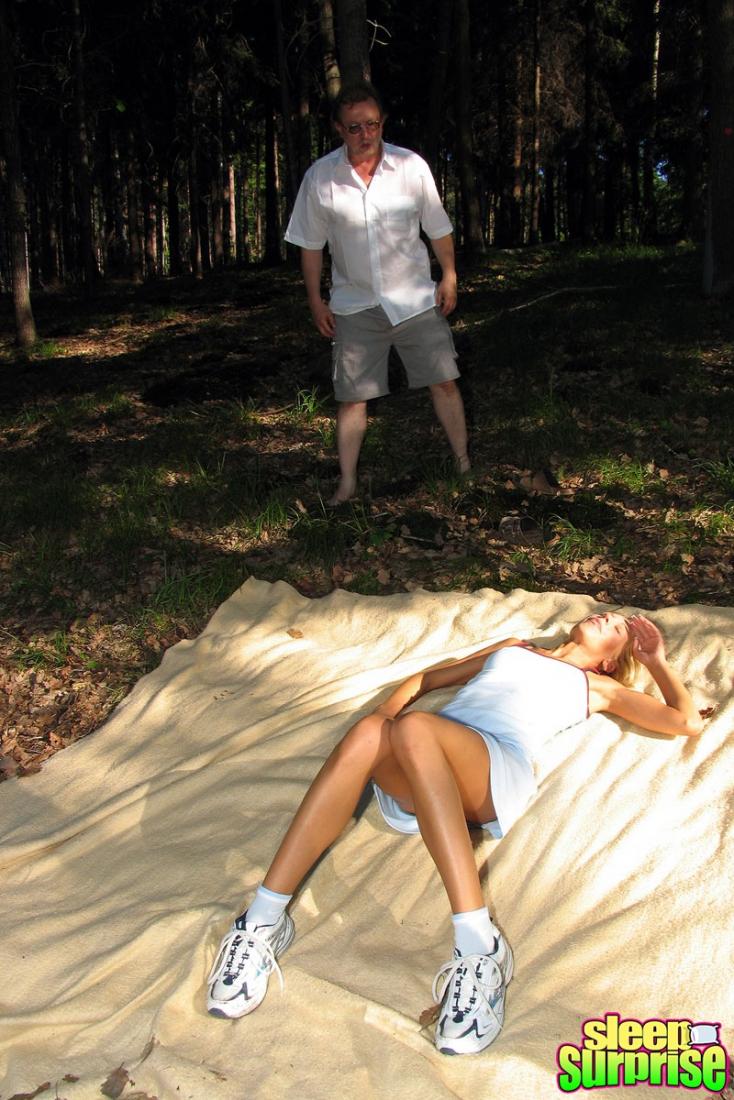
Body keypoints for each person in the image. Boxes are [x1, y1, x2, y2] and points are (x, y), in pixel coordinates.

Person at [205, 611, 703, 1055]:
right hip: (419, 761)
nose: (606, 617)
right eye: (605, 613)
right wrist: (384, 715)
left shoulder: (598, 688)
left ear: (611, 661)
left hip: (491, 769)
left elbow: (685, 722)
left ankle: (480, 946)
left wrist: (655, 661)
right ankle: (262, 920)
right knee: (370, 732)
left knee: (415, 727)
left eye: (616, 626)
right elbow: (428, 680)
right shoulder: (515, 648)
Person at [284, 82, 470, 506]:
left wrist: (449, 275)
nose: (365, 134)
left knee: (444, 381)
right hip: (355, 305)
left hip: (415, 301)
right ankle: (347, 483)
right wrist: (315, 300)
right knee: (352, 399)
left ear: (382, 122)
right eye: (354, 128)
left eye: (372, 124)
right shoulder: (321, 178)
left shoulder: (411, 167)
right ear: (338, 129)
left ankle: (463, 465)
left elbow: (438, 227)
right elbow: (310, 247)